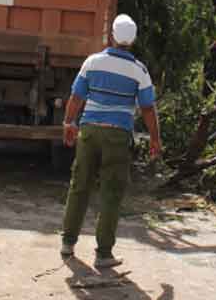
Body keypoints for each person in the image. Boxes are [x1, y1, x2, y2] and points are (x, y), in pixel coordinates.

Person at [60, 14, 162, 268]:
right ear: (133, 40)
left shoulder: (92, 62)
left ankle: (68, 243)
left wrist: (68, 124)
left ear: (112, 36)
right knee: (111, 192)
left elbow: (76, 97)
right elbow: (148, 108)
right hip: (117, 135)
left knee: (79, 185)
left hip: (89, 131)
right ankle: (103, 254)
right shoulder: (139, 70)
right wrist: (155, 139)